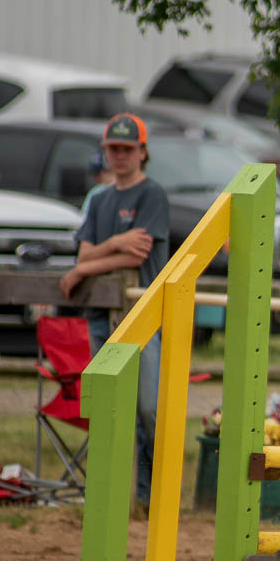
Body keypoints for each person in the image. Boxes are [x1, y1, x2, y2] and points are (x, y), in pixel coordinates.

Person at [59, 113, 171, 513]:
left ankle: (152, 494)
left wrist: (84, 268)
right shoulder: (100, 199)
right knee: (109, 409)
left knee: (148, 409)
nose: (120, 156)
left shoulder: (152, 195)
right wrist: (113, 244)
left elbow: (134, 255)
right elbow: (88, 250)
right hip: (99, 316)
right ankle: (113, 496)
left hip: (143, 317)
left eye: (128, 149)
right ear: (105, 152)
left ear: (143, 152)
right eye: (113, 149)